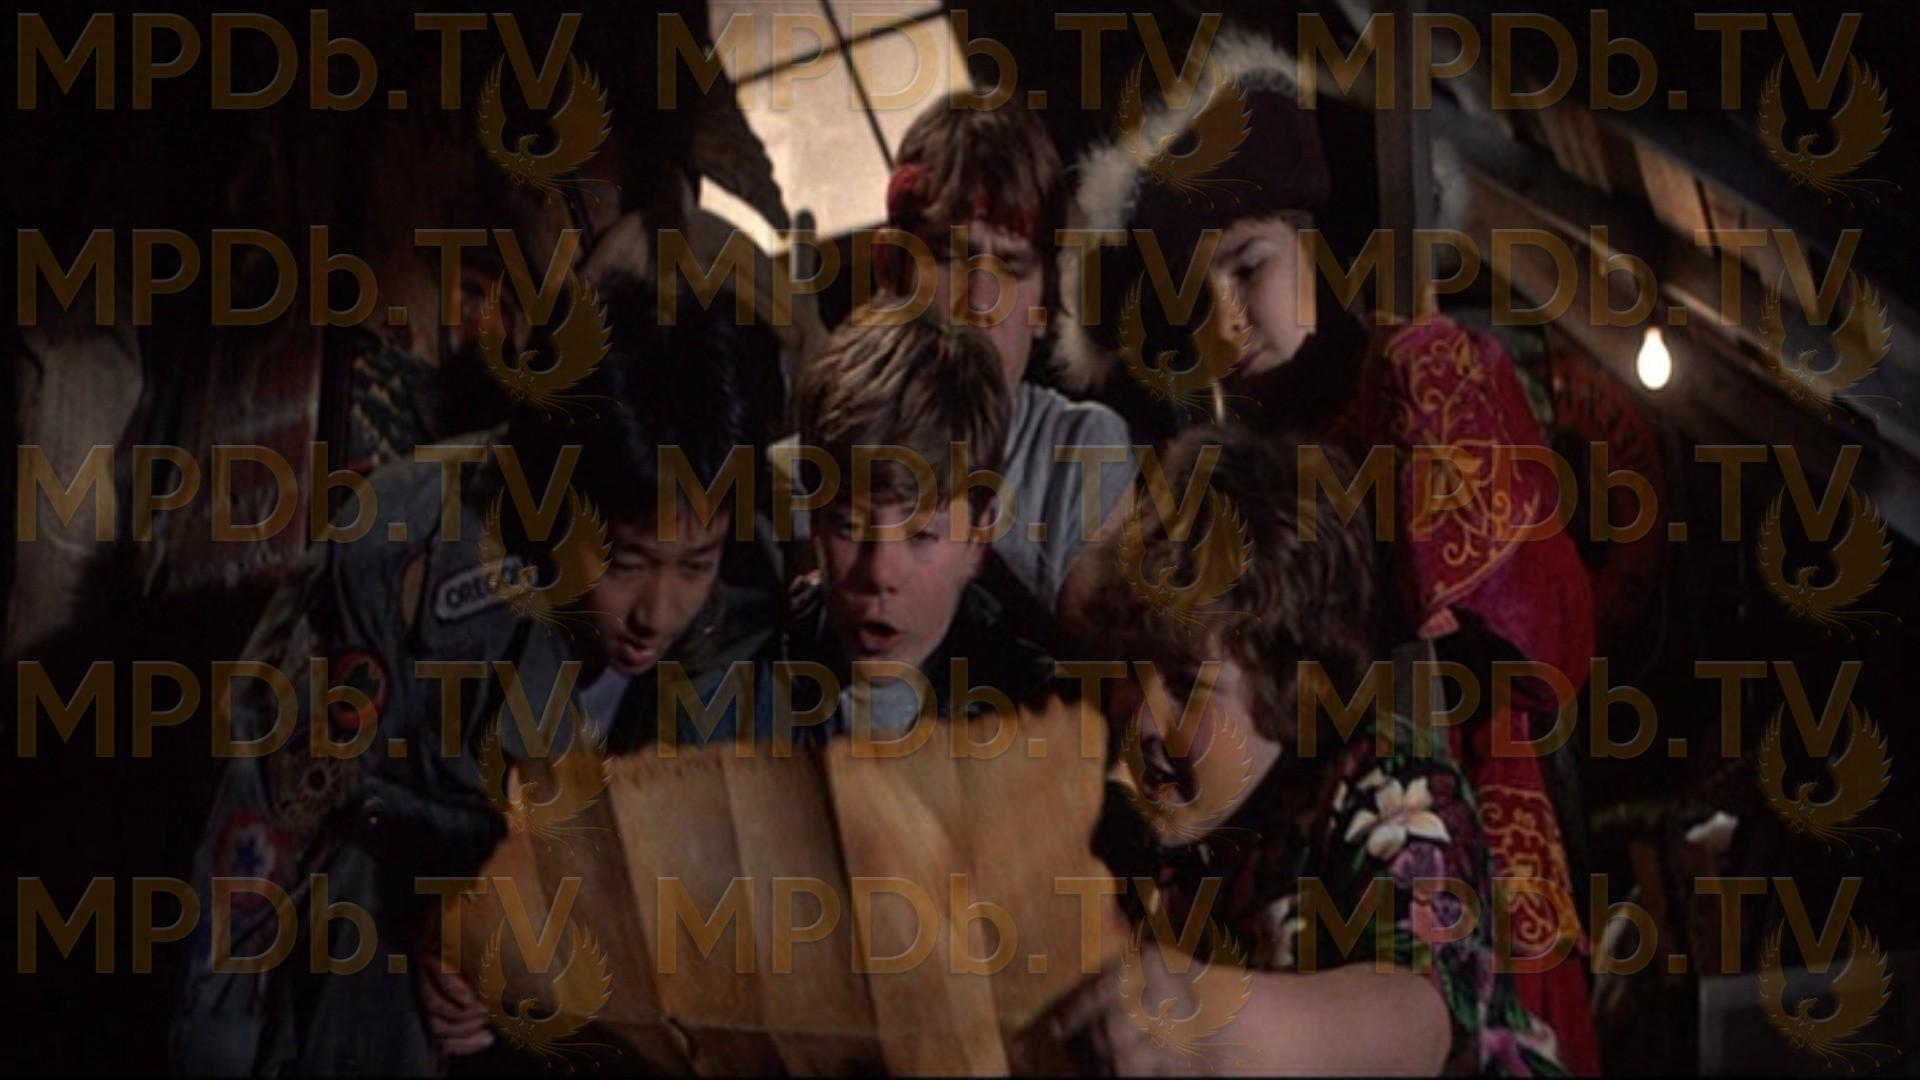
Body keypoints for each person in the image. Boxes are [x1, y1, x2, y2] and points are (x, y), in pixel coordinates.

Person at [1056, 30, 1600, 1070]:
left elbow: (1546, 637)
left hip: (1434, 799)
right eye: (1193, 301)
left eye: (1248, 267)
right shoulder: (1206, 481)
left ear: (1310, 243)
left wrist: (1437, 457)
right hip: (1270, 842)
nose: (1228, 321)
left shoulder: (1419, 378)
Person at [170, 275, 781, 1075]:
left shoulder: (749, 590)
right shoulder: (406, 550)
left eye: (693, 565)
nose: (657, 614)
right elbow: (262, 836)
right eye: (625, 562)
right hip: (386, 907)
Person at [1062, 424, 1566, 1076]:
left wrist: (1205, 1019)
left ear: (1295, 687)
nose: (1144, 720)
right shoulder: (1139, 836)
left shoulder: (1390, 790)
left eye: (1187, 685)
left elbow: (1415, 1020)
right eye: (1131, 672)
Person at [778, 99, 1137, 629]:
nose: (982, 300)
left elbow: (1104, 660)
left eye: (1012, 267)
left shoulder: (1081, 450)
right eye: (950, 258)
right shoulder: (795, 470)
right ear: (891, 269)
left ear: (1047, 298)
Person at [677, 309, 1052, 747]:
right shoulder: (724, 711)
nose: (879, 573)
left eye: (921, 535)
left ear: (979, 534)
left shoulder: (1042, 722)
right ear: (814, 519)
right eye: (850, 528)